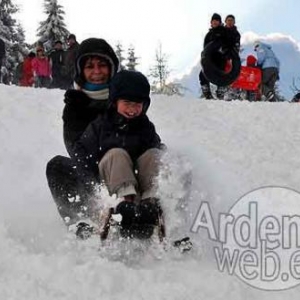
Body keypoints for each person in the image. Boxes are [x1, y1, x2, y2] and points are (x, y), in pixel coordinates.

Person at [70, 70, 163, 239]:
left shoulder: (145, 127)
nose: (133, 109)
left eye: (138, 104)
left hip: (139, 186)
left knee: (153, 154)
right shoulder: (101, 125)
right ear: (114, 101)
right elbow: (81, 152)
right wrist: (92, 184)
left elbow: (156, 151)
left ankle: (150, 203)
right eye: (127, 102)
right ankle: (124, 203)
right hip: (111, 185)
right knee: (116, 154)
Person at [46, 38, 119, 234]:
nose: (96, 71)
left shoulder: (125, 99)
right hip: (93, 180)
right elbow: (77, 151)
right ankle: (83, 223)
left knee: (172, 159)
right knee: (57, 166)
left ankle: (166, 222)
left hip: (128, 174)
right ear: (81, 71)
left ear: (112, 68)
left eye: (102, 65)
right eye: (90, 66)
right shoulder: (74, 106)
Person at [199, 13, 229, 99]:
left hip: (220, 58)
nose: (215, 22)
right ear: (211, 22)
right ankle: (207, 94)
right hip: (210, 59)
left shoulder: (223, 32)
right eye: (213, 20)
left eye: (217, 21)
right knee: (202, 74)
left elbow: (227, 43)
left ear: (220, 22)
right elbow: (205, 47)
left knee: (221, 73)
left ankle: (220, 92)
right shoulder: (208, 35)